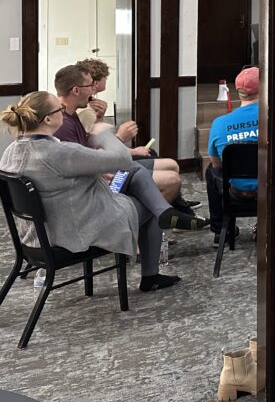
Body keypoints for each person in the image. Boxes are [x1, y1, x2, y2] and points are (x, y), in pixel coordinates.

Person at [0, 92, 206, 292]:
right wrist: (105, 135)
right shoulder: (58, 152)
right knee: (148, 202)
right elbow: (122, 159)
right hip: (72, 232)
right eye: (59, 109)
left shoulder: (11, 152)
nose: (63, 111)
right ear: (47, 119)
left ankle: (165, 213)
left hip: (36, 236)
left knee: (135, 173)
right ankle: (151, 271)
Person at [52, 64, 192, 210]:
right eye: (89, 85)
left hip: (101, 172)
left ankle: (167, 212)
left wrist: (100, 123)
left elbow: (88, 149)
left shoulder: (71, 115)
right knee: (171, 180)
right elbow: (82, 167)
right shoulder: (64, 124)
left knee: (171, 165)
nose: (92, 89)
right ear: (76, 90)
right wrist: (118, 138)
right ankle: (145, 217)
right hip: (97, 185)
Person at [205, 67, 261, 244]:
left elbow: (217, 165)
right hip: (271, 188)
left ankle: (221, 230)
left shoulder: (220, 124)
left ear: (238, 91)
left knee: (210, 171)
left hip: (238, 192)